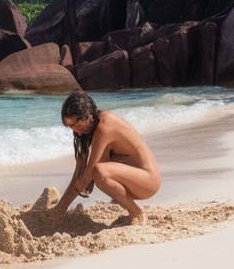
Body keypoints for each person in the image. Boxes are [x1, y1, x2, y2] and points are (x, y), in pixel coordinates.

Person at [49, 90, 161, 225]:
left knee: (99, 171)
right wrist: (61, 207)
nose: (74, 130)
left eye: (74, 125)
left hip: (148, 181)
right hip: (133, 178)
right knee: (95, 170)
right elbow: (80, 170)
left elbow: (87, 175)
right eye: (69, 126)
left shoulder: (104, 126)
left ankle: (136, 212)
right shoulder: (89, 128)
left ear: (86, 116)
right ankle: (121, 201)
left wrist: (61, 208)